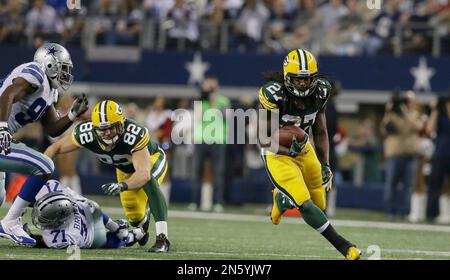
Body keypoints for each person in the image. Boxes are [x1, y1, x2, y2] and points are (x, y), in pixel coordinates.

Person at [257, 49, 361, 260]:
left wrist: (326, 164)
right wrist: (287, 150)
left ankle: (283, 200)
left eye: (307, 79)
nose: (303, 84)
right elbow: (263, 138)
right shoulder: (274, 94)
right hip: (277, 152)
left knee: (319, 205)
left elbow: (321, 131)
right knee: (306, 206)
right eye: (297, 79)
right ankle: (344, 246)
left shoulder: (321, 91)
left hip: (304, 148)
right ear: (287, 77)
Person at [44, 100, 170, 253]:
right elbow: (54, 148)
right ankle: (144, 219)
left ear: (121, 124)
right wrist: (42, 174)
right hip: (124, 169)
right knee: (134, 216)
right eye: (103, 129)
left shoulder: (134, 134)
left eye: (112, 127)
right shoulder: (86, 134)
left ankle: (162, 238)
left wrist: (122, 186)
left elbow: (143, 174)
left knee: (149, 181)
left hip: (151, 160)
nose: (108, 133)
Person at [0, 43, 88, 247]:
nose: (66, 74)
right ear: (49, 64)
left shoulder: (49, 90)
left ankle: (10, 221)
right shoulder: (36, 72)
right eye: (63, 68)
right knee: (45, 165)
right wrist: (3, 128)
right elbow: (7, 95)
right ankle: (11, 221)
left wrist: (72, 115)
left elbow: (51, 128)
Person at [29, 179, 145, 249]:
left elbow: (46, 242)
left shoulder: (67, 236)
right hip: (88, 210)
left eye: (45, 217)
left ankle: (128, 237)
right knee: (93, 206)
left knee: (103, 241)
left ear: (59, 218)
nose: (40, 218)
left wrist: (33, 239)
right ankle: (118, 227)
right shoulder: (52, 187)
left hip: (92, 233)